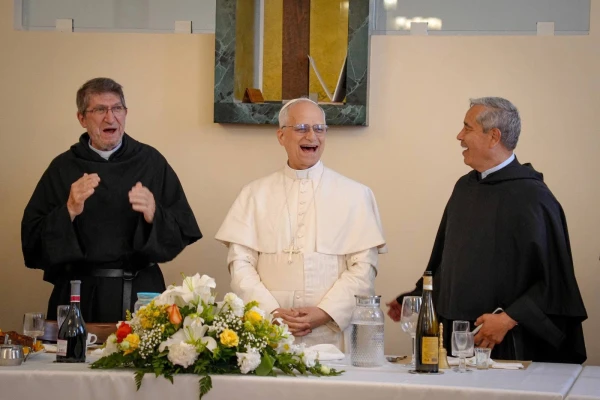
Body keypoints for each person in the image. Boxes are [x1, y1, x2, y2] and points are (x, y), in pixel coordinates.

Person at [387, 97, 587, 363]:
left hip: (507, 341)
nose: (459, 136)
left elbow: (554, 279)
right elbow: (447, 260)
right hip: (454, 338)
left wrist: (508, 319)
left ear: (494, 136)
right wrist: (417, 296)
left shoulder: (533, 197)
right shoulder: (464, 188)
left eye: (467, 128)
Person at [22, 77, 202, 323]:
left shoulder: (151, 162)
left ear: (125, 113)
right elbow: (31, 241)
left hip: (140, 293)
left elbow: (182, 231)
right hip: (78, 293)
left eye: (117, 108)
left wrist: (155, 214)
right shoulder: (62, 167)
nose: (110, 117)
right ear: (82, 118)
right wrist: (69, 210)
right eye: (99, 110)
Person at [216, 98, 386, 349]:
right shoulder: (254, 194)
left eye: (319, 129)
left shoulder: (355, 195)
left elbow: (364, 268)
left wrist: (325, 312)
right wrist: (270, 312)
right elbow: (240, 264)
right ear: (281, 136)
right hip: (269, 332)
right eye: (301, 128)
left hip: (331, 334)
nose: (312, 136)